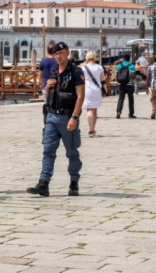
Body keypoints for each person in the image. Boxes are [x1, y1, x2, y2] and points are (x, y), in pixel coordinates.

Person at [27, 42, 84, 197]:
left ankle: (74, 181)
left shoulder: (76, 71)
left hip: (67, 117)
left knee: (72, 152)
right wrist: (47, 87)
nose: (58, 56)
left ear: (67, 53)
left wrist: (74, 117)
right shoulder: (53, 71)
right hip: (51, 116)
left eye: (61, 53)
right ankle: (43, 183)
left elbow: (80, 97)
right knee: (48, 150)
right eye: (56, 54)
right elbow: (48, 92)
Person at [81, 51, 104, 137]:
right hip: (97, 89)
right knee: (94, 110)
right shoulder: (99, 67)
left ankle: (90, 128)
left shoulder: (84, 68)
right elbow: (102, 78)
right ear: (95, 57)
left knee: (89, 110)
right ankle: (93, 128)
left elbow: (81, 78)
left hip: (87, 89)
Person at [115, 54, 136, 119]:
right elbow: (133, 76)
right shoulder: (132, 66)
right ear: (129, 59)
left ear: (123, 59)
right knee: (130, 99)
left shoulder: (119, 66)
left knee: (121, 98)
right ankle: (131, 113)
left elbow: (116, 75)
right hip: (129, 85)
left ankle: (118, 112)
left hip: (121, 84)